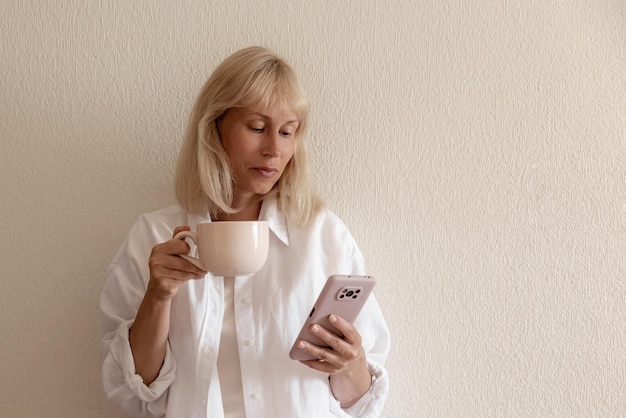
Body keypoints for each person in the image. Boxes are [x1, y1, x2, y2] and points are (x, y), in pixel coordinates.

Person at [100, 46, 390, 418]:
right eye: (257, 127)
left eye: (287, 132)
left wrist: (351, 364)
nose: (273, 149)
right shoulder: (154, 236)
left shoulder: (323, 237)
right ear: (215, 126)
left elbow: (359, 403)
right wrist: (159, 295)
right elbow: (132, 390)